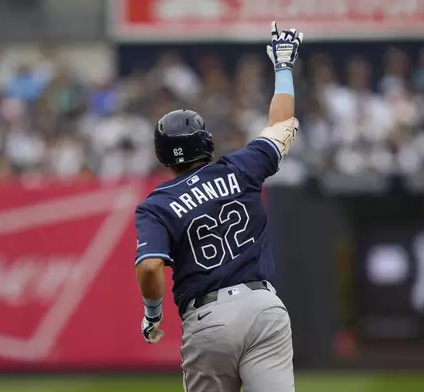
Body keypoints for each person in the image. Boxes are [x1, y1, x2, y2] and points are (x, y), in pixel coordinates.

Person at [134, 21, 303, 392]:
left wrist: (153, 314)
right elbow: (282, 123)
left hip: (208, 319)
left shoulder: (156, 204)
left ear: (163, 155)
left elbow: (149, 268)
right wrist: (283, 67)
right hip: (263, 307)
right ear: (205, 141)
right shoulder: (240, 167)